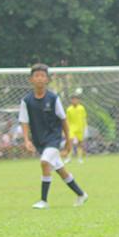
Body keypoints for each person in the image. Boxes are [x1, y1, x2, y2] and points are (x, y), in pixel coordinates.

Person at [19, 64, 88, 209]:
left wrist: (68, 141)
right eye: (36, 76)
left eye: (42, 76)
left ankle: (43, 201)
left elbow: (63, 119)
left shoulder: (53, 98)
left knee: (45, 162)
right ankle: (81, 194)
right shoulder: (27, 101)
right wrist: (26, 140)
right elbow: (24, 121)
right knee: (61, 170)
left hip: (54, 138)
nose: (39, 79)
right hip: (39, 139)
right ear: (31, 79)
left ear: (47, 79)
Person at [65, 94, 88, 163]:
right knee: (70, 142)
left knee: (79, 143)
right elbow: (67, 119)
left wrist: (85, 128)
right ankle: (69, 157)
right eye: (73, 99)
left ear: (78, 100)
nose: (74, 101)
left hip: (80, 128)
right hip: (72, 128)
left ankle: (79, 158)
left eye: (76, 99)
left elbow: (84, 118)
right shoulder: (69, 109)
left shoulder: (81, 108)